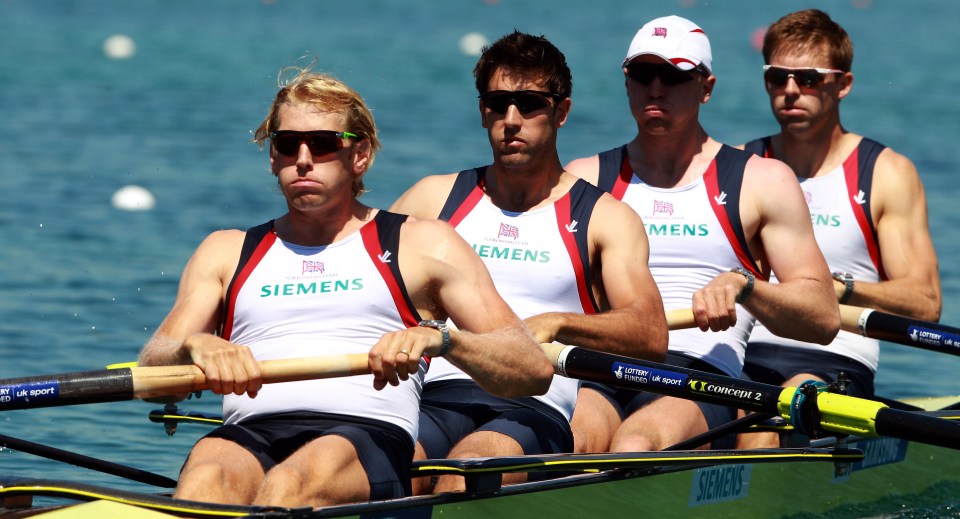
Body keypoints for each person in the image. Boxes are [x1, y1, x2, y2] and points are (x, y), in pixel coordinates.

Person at [137, 68, 554, 508]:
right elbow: (152, 376)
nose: (303, 158)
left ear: (360, 156)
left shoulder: (422, 245)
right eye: (286, 144)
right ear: (272, 158)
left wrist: (442, 339)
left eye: (322, 144)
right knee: (204, 479)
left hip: (364, 434)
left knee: (290, 486)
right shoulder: (225, 251)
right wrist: (194, 348)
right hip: (249, 431)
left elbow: (530, 368)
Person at [390, 31, 668, 491]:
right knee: (392, 467)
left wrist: (557, 323)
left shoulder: (604, 218)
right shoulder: (432, 199)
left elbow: (650, 332)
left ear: (561, 112)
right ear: (483, 112)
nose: (511, 120)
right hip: (434, 398)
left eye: (530, 104)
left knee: (463, 473)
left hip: (533, 406)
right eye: (498, 103)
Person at [564, 15, 840, 452]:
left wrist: (745, 287)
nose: (655, 88)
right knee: (570, 441)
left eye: (673, 75)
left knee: (635, 444)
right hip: (602, 367)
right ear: (626, 81)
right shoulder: (584, 178)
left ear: (705, 88)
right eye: (642, 74)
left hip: (701, 372)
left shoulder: (761, 181)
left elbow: (824, 317)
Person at [737, 9, 941, 448]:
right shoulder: (739, 167)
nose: (791, 91)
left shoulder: (884, 174)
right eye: (777, 77)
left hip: (833, 357)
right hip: (740, 355)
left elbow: (924, 302)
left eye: (809, 78)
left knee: (767, 421)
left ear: (843, 84)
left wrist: (839, 289)